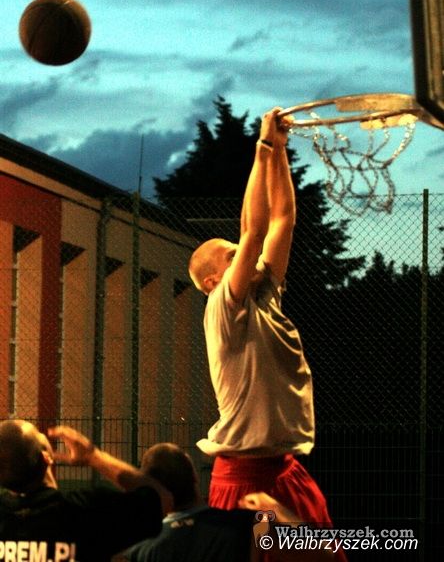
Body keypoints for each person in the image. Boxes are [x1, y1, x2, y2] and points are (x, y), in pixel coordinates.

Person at [188, 107, 346, 561]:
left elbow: (282, 221)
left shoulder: (264, 295)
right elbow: (254, 229)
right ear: (213, 282)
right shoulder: (223, 306)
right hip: (245, 482)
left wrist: (279, 150)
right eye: (232, 255)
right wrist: (261, 146)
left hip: (284, 469)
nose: (244, 254)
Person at [0, 420, 172, 561]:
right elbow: (163, 499)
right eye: (39, 433)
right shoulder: (86, 510)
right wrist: (93, 456)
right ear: (46, 457)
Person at [121, 442, 259, 562]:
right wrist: (271, 509)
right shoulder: (241, 525)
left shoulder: (142, 550)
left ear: (156, 491)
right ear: (195, 475)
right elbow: (272, 547)